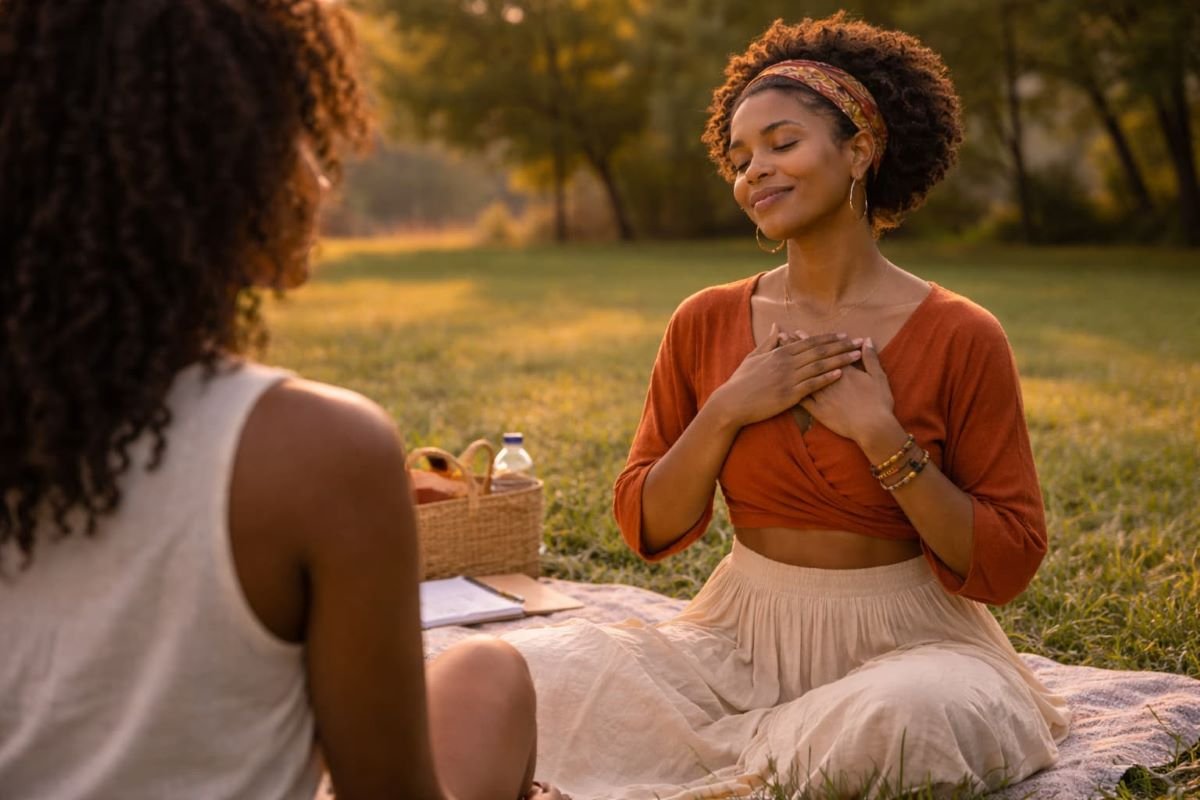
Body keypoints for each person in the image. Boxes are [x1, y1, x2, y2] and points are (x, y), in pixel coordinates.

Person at [503, 14, 1071, 799]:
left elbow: (1005, 560)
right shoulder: (703, 319)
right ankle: (763, 765)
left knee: (908, 721)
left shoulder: (962, 334)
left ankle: (726, 771)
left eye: (781, 143)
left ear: (860, 151)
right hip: (734, 638)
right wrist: (728, 409)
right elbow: (648, 526)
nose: (753, 174)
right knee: (524, 674)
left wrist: (882, 436)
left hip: (909, 645)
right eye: (739, 160)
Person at [0, 2, 560, 798]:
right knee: (490, 676)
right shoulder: (320, 449)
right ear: (208, 158)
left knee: (478, 671)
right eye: (299, 129)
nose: (321, 177)